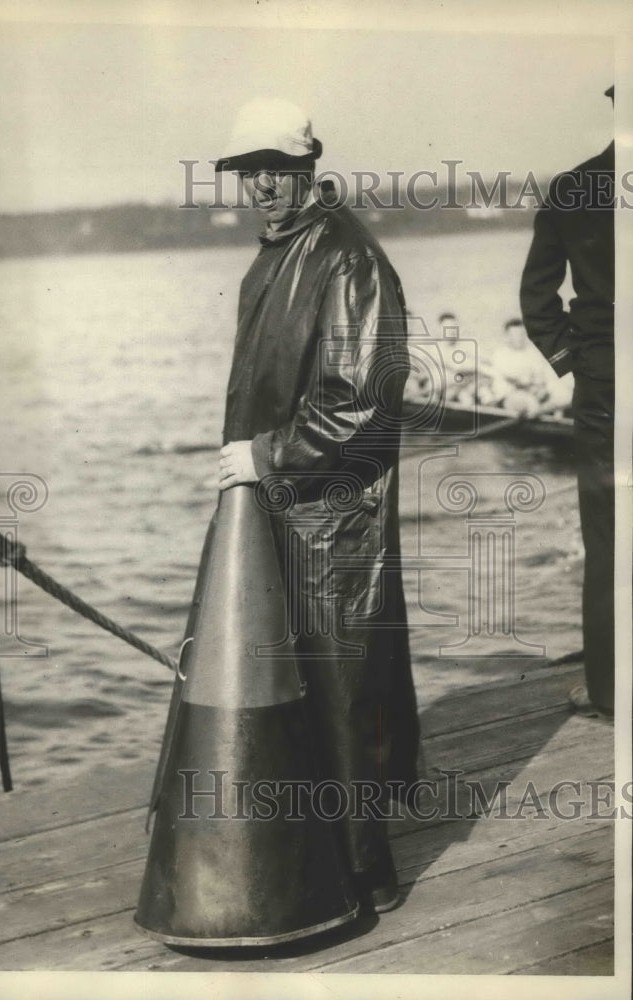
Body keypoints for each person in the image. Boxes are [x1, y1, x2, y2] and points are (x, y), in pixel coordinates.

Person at [215, 98, 420, 913]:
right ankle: (310, 861)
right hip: (278, 504)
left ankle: (365, 875)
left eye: (276, 169)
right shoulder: (275, 253)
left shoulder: (346, 258)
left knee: (340, 691)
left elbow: (363, 396)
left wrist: (262, 456)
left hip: (334, 517)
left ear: (307, 170)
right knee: (291, 683)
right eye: (247, 171)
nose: (261, 185)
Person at [520, 86, 615, 719]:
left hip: (604, 388)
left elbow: (537, 299)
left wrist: (570, 361)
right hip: (604, 384)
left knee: (609, 541)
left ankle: (610, 692)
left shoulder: (573, 189)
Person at [488, 318, 557, 417]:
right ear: (507, 336)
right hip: (507, 395)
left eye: (522, 334)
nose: (519, 338)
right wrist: (531, 384)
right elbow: (514, 379)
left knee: (559, 397)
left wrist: (539, 387)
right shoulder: (500, 354)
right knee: (531, 403)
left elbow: (540, 378)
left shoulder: (532, 354)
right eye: (515, 335)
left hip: (530, 392)